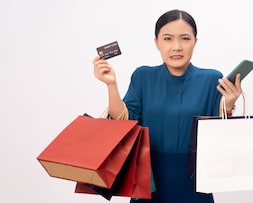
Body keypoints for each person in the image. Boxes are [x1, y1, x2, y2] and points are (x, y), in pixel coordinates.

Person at [93, 9, 242, 203]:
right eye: (168, 39)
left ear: (195, 42)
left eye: (185, 39)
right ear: (157, 43)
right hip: (148, 180)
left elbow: (219, 137)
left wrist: (228, 105)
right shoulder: (143, 76)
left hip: (194, 182)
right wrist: (111, 85)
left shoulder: (212, 79)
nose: (177, 47)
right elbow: (124, 121)